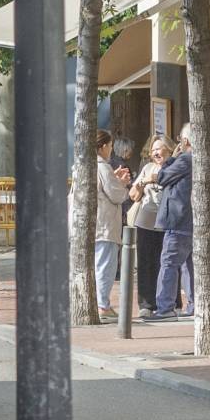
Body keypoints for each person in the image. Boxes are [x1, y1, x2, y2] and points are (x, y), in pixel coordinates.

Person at [150, 123, 194, 320]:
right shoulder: (196, 159)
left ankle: (165, 308)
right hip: (189, 221)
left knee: (168, 263)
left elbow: (162, 177)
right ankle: (193, 305)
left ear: (184, 141)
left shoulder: (185, 159)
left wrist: (172, 158)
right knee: (188, 265)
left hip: (178, 220)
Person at [129, 136, 173, 317]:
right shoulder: (147, 168)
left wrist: (154, 179)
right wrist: (141, 183)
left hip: (167, 222)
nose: (155, 153)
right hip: (145, 222)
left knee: (166, 264)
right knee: (146, 264)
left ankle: (170, 303)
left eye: (159, 149)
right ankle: (146, 305)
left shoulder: (174, 167)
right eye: (153, 150)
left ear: (169, 150)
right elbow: (133, 195)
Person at [94, 130, 132, 318]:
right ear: (102, 147)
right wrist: (123, 183)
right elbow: (115, 194)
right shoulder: (102, 166)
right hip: (105, 225)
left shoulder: (86, 165)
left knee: (98, 264)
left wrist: (114, 178)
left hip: (94, 225)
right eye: (109, 146)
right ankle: (103, 305)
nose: (111, 150)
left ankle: (99, 303)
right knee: (105, 265)